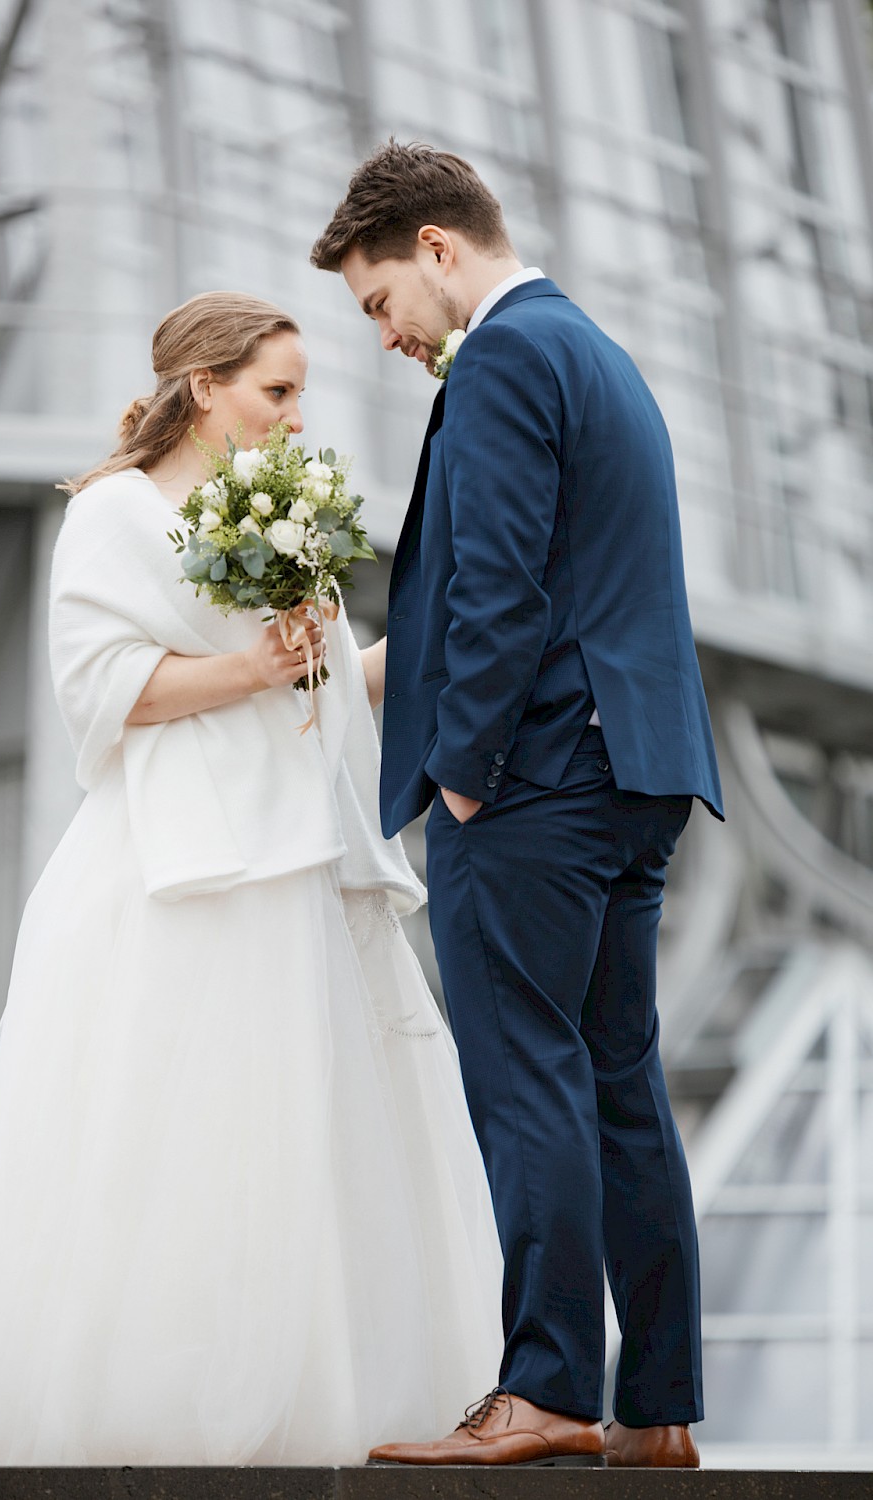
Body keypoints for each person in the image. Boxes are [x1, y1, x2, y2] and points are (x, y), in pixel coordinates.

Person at [0, 290, 503, 1466]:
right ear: (204, 388)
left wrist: (414, 646)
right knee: (174, 1143)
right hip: (180, 864)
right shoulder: (112, 513)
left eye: (300, 391)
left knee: (315, 1137)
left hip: (299, 855)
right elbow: (109, 694)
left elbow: (315, 689)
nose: (295, 413)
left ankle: (341, 1401)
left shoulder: (291, 514)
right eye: (277, 391)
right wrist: (263, 669)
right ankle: (164, 1415)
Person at [312, 141, 723, 1472]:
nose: (384, 336)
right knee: (619, 1082)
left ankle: (545, 1389)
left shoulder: (499, 360)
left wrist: (463, 773)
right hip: (641, 767)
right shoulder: (595, 351)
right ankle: (656, 1408)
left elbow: (495, 585)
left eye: (379, 302)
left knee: (525, 1073)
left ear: (437, 248)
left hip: (535, 780)